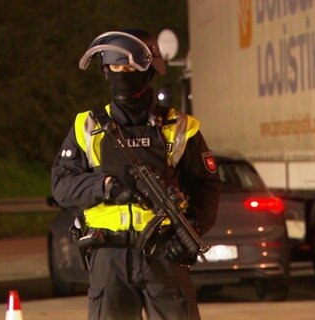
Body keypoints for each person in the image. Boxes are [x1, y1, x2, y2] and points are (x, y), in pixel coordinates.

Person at [51, 29, 221, 320]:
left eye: (129, 68)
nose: (122, 75)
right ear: (105, 72)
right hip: (109, 255)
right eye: (115, 67)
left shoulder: (180, 126)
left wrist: (191, 229)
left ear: (149, 71)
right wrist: (106, 187)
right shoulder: (87, 125)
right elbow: (62, 186)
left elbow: (207, 188)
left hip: (165, 254)